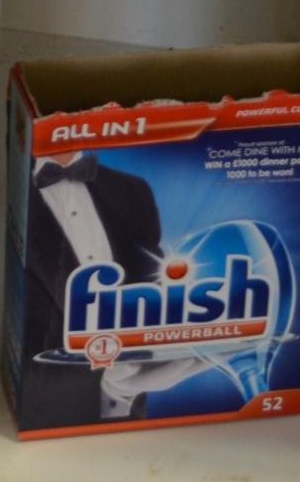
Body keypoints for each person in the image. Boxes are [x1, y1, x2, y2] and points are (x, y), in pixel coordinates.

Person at [24, 149, 205, 427]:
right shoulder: (13, 187)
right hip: (39, 401)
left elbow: (151, 282)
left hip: (125, 401)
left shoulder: (131, 189)